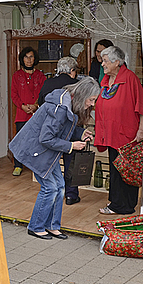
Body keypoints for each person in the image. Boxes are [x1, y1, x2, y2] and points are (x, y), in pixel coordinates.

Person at [10, 78, 100, 240]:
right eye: (91, 100)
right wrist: (71, 146)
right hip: (36, 151)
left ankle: (52, 226)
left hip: (45, 152)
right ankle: (36, 227)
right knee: (50, 188)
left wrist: (80, 134)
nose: (92, 104)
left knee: (59, 186)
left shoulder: (66, 102)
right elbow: (46, 138)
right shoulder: (60, 108)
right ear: (83, 95)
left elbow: (62, 129)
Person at [94, 46, 143, 215]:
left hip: (126, 133)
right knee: (115, 169)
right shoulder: (106, 81)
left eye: (106, 61)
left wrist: (142, 128)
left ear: (117, 62)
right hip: (110, 133)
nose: (103, 64)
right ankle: (117, 203)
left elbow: (141, 105)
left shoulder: (130, 78)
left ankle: (124, 205)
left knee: (126, 169)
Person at [37, 57, 81, 205]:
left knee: (52, 161)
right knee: (71, 161)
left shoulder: (48, 83)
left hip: (50, 129)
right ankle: (71, 195)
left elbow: (40, 104)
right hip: (70, 129)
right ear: (72, 71)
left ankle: (53, 192)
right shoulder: (77, 84)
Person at [10, 46, 46, 176]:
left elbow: (43, 93)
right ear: (22, 59)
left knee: (37, 140)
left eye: (31, 57)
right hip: (21, 113)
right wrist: (23, 106)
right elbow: (14, 95)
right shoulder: (16, 75)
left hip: (37, 114)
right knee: (20, 140)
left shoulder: (41, 76)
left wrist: (36, 105)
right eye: (26, 57)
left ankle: (35, 165)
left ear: (35, 59)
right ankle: (18, 165)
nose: (29, 59)